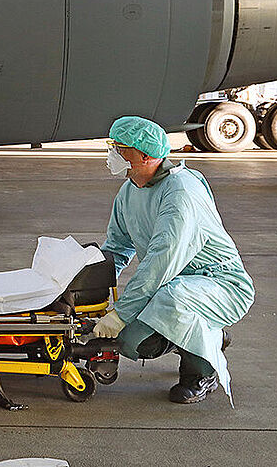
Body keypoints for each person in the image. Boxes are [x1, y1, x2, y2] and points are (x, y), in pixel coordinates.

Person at [91, 116, 255, 404]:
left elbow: (160, 261)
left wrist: (120, 314)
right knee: (130, 342)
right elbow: (116, 247)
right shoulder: (130, 190)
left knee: (162, 315)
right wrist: (88, 287)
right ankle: (208, 334)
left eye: (120, 149)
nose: (112, 155)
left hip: (220, 285)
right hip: (171, 285)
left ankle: (201, 371)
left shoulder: (181, 192)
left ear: (144, 155)